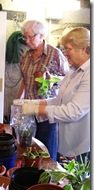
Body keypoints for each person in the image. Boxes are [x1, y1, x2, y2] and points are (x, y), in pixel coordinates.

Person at [19, 27, 90, 163]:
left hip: (80, 146)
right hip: (65, 140)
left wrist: (35, 109)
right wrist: (34, 103)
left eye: (68, 49)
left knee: (72, 182)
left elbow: (74, 111)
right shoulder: (73, 70)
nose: (65, 53)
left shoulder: (89, 74)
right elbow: (59, 100)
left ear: (83, 48)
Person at [16, 20, 69, 161]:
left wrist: (52, 80)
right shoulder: (26, 56)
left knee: (46, 152)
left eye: (30, 37)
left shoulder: (55, 54)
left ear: (41, 35)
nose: (27, 41)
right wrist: (18, 101)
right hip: (29, 111)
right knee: (29, 150)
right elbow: (24, 81)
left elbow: (68, 78)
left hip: (47, 113)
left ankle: (47, 180)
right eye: (25, 37)